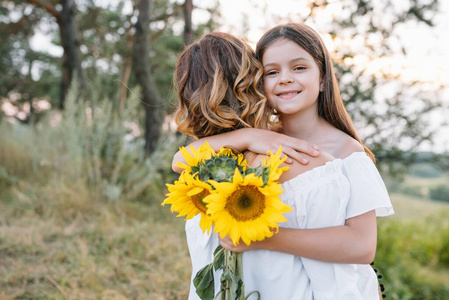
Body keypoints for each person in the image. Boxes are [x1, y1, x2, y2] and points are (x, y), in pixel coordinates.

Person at [173, 25, 393, 300]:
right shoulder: (255, 141)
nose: (285, 79)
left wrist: (263, 238)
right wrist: (249, 135)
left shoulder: (346, 151)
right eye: (272, 72)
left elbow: (362, 247)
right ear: (256, 82)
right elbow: (181, 160)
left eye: (299, 68)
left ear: (323, 79)